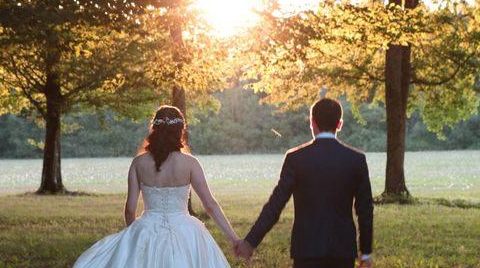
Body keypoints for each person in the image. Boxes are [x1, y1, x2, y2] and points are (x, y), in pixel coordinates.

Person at [73, 105, 239, 268]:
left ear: (154, 129)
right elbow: (209, 204)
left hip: (146, 228)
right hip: (186, 231)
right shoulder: (191, 163)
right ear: (181, 130)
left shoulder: (138, 163)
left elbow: (130, 209)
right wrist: (234, 239)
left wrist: (135, 238)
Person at [234, 97, 374, 268]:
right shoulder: (356, 160)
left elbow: (275, 204)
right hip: (342, 249)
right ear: (340, 124)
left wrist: (250, 241)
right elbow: (365, 210)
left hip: (306, 249)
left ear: (312, 122)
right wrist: (365, 252)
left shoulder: (296, 159)